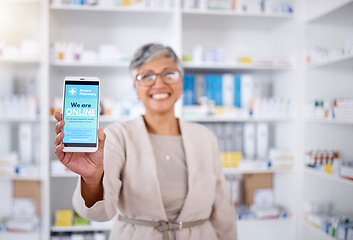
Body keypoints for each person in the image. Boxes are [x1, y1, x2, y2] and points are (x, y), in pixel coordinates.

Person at [54, 43, 237, 240]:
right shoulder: (117, 136)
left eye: (169, 74)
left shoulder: (204, 138)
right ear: (136, 89)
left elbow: (223, 211)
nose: (159, 83)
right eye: (147, 76)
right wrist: (92, 178)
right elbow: (100, 213)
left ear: (182, 83)